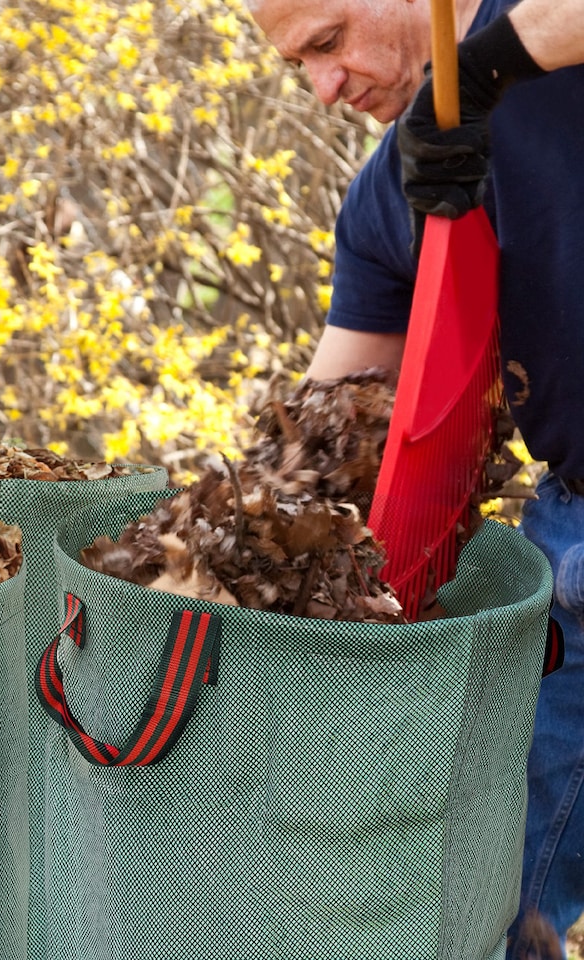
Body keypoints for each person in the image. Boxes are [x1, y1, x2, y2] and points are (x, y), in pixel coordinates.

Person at [248, 0, 584, 955]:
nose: (324, 86)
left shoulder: (540, 26)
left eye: (328, 42)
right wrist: (220, 546)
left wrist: (485, 66)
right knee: (481, 900)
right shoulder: (398, 188)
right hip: (571, 542)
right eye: (299, 67)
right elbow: (327, 418)